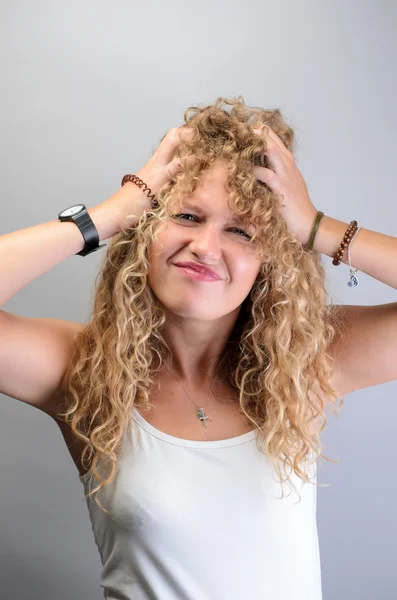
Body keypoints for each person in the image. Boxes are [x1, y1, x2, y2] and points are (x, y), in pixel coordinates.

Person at [0, 96, 342, 599]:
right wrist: (111, 212)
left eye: (240, 230)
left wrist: (318, 229)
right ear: (144, 230)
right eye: (185, 216)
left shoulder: (306, 362)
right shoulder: (84, 369)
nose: (206, 247)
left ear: (272, 258)